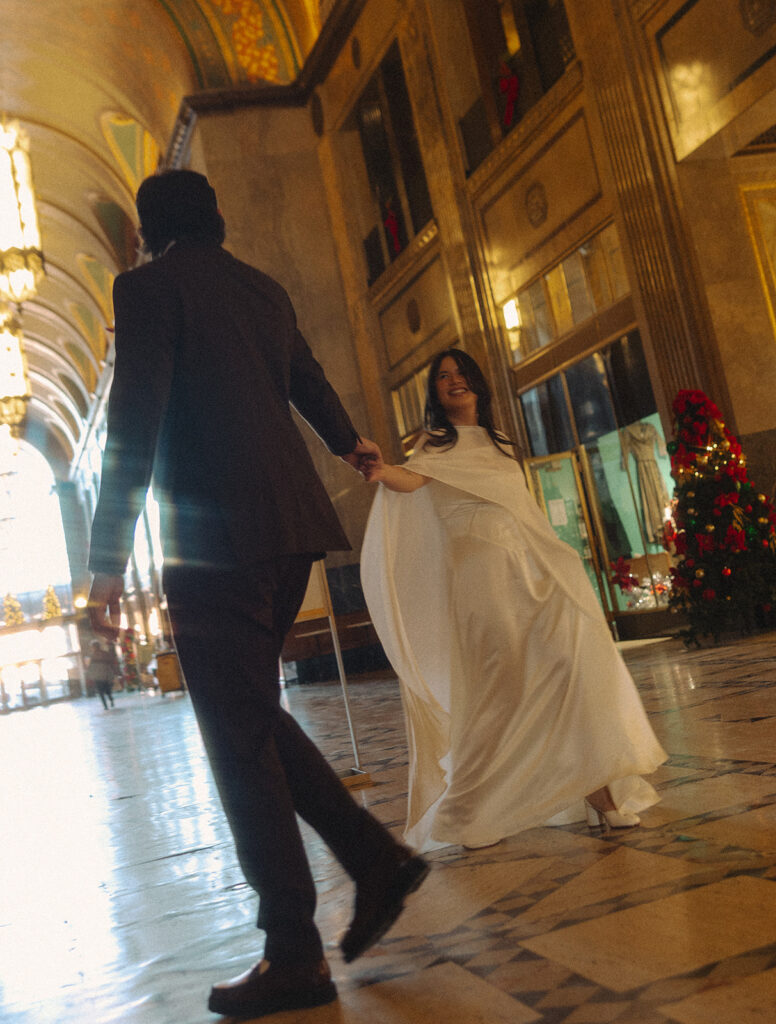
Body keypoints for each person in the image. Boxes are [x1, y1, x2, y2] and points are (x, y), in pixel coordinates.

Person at [86, 170, 428, 1020]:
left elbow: (133, 418)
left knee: (237, 740)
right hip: (292, 527)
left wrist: (105, 559)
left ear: (148, 233)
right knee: (249, 715)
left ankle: (295, 953)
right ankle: (373, 861)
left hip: (215, 541)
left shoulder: (147, 289)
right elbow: (306, 378)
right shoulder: (261, 288)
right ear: (215, 218)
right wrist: (348, 442)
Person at [361, 349, 667, 852]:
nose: (454, 381)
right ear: (435, 393)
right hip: (481, 581)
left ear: (477, 382)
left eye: (461, 373)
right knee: (499, 694)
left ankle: (601, 794)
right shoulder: (434, 445)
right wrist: (379, 470)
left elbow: (524, 513)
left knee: (568, 672)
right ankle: (470, 812)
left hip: (532, 572)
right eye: (443, 377)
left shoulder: (502, 442)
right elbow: (411, 479)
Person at [86, 638, 120, 710]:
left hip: (103, 675)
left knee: (105, 690)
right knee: (103, 691)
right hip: (101, 675)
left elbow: (90, 666)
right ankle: (107, 703)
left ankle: (108, 702)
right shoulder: (98, 655)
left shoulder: (97, 655)